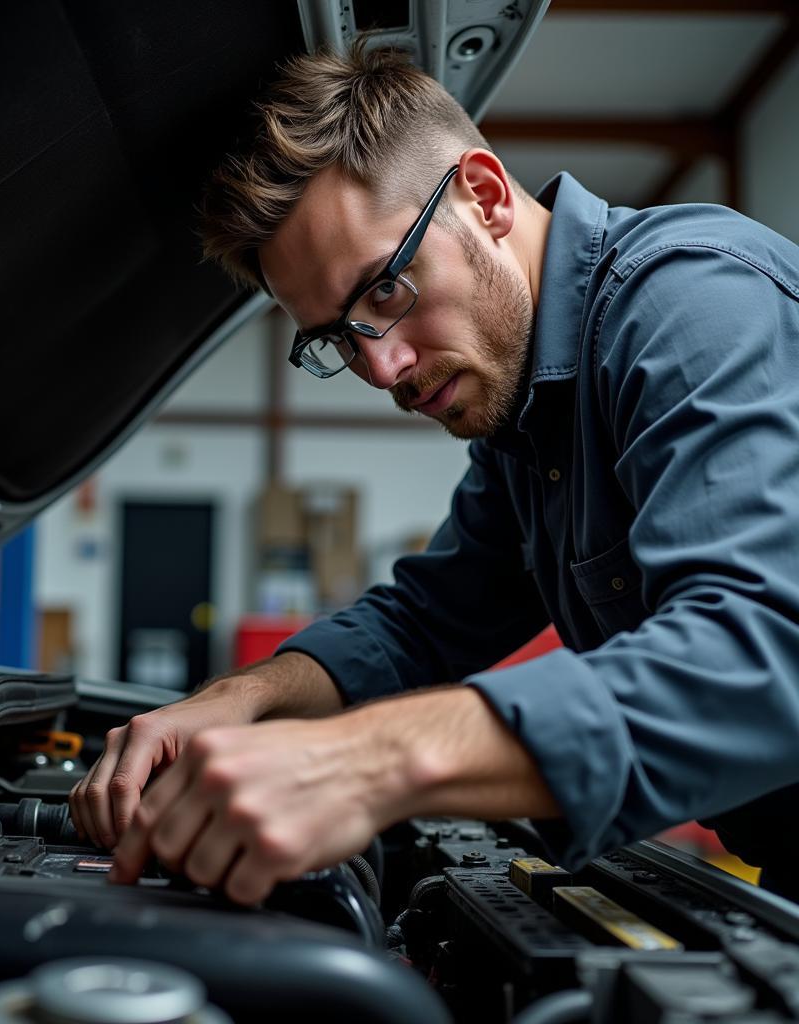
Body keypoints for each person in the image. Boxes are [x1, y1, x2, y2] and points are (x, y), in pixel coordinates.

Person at [68, 44, 799, 905]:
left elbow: (761, 653)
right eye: (340, 336)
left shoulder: (690, 301)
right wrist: (241, 699)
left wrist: (370, 760)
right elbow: (425, 621)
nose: (381, 370)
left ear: (483, 197)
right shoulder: (528, 414)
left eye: (384, 290)